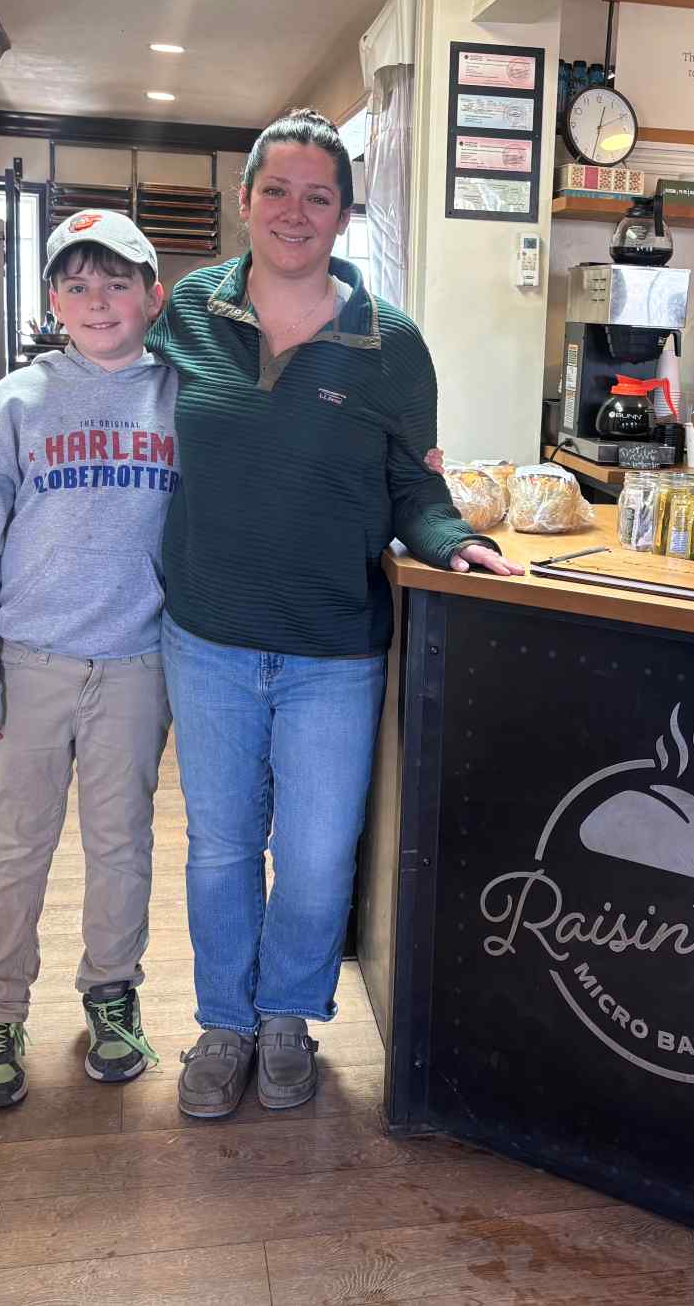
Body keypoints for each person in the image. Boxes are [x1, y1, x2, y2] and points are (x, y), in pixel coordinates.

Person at [155, 109, 522, 1118]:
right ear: (243, 202)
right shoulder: (186, 310)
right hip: (208, 637)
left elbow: (414, 482)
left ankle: (286, 1021)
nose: (293, 211)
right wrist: (10, 425)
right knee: (220, 846)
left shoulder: (390, 345)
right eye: (275, 189)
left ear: (346, 216)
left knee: (316, 856)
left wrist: (452, 540)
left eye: (319, 195)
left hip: (333, 650)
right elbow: (105, 386)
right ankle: (222, 1027)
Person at [0, 210, 180, 1109]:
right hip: (31, 660)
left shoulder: (180, 396)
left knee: (122, 846)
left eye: (118, 282)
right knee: (14, 849)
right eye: (76, 285)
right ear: (52, 301)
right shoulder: (20, 402)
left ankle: (113, 994)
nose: (98, 301)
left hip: (136, 663)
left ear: (154, 296)